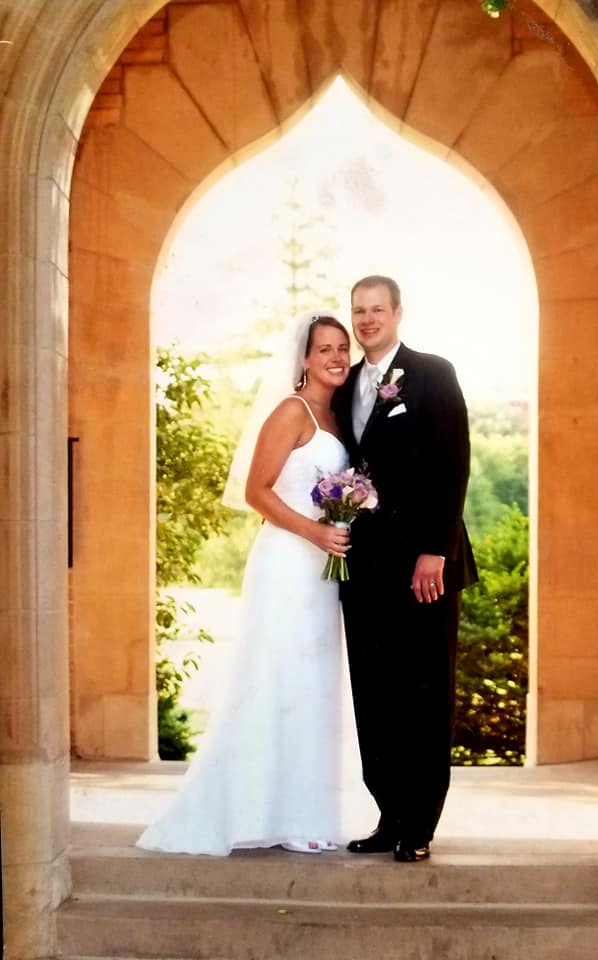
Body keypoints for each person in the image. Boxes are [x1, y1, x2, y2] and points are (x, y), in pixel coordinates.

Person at [137, 311, 352, 856]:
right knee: (274, 679)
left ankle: (302, 813)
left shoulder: (339, 416)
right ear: (304, 358)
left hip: (322, 571)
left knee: (311, 685)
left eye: (342, 348)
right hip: (287, 562)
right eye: (324, 349)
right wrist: (315, 531)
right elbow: (257, 491)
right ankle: (258, 814)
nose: (335, 358)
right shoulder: (292, 411)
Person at [333, 276, 477, 863]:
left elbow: (454, 462)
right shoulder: (344, 386)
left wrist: (434, 550)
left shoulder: (433, 373)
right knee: (375, 695)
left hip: (425, 567)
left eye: (376, 309)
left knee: (423, 692)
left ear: (397, 313)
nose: (366, 320)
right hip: (364, 566)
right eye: (358, 311)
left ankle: (419, 825)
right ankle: (389, 816)